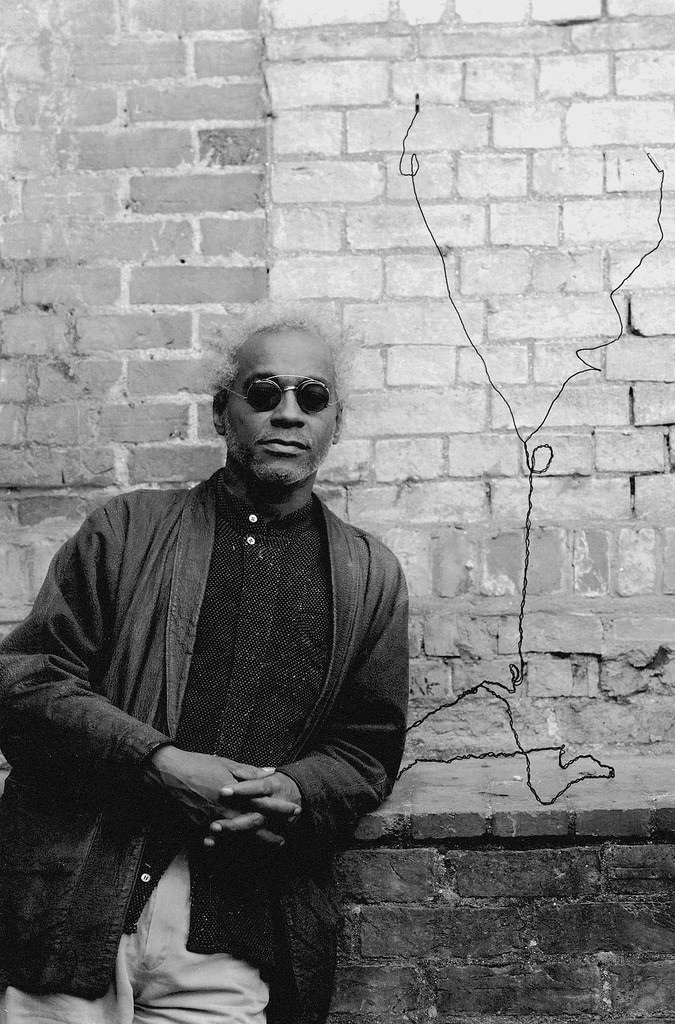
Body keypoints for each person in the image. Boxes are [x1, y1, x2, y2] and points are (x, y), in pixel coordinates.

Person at [0, 305, 410, 1024]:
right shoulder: (127, 531)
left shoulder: (367, 574)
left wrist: (297, 790)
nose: (288, 413)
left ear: (334, 425)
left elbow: (365, 749)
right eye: (264, 392)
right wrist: (158, 762)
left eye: (312, 398)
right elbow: (26, 685)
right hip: (74, 913)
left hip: (229, 938)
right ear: (223, 413)